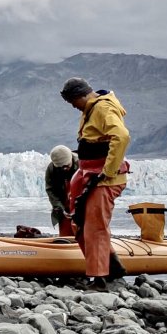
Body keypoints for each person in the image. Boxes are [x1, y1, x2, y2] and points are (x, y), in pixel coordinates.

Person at [60, 77, 130, 290]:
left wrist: (108, 171)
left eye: (72, 101)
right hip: (87, 174)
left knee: (95, 227)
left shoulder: (103, 109)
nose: (72, 106)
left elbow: (122, 136)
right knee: (79, 223)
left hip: (102, 178)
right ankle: (113, 266)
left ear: (81, 95)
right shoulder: (90, 110)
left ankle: (100, 278)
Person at [45, 145, 79, 237]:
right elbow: (50, 190)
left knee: (85, 234)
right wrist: (59, 208)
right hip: (64, 208)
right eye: (60, 167)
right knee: (66, 237)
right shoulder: (51, 169)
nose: (64, 169)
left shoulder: (82, 164)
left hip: (82, 205)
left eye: (67, 166)